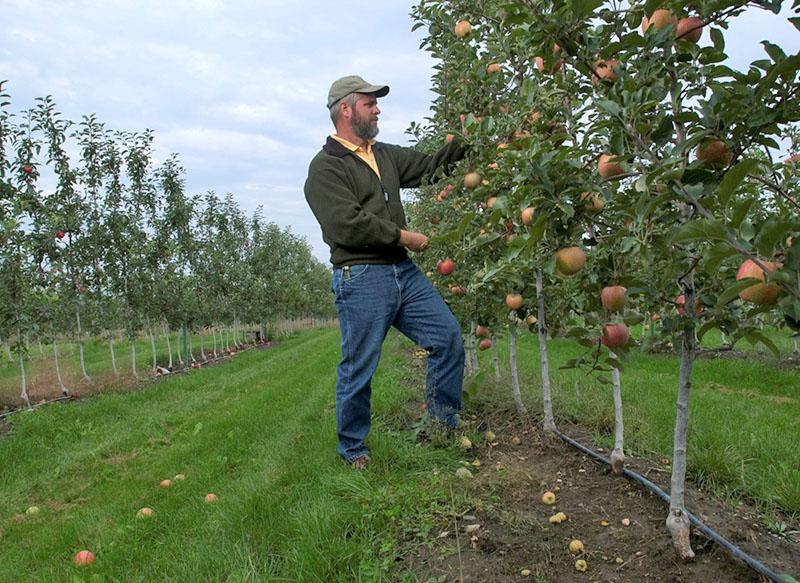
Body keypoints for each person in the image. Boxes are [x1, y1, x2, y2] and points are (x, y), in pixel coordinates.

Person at [304, 75, 466, 469]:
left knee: (447, 338)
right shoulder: (326, 168)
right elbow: (346, 223)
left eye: (376, 103)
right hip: (361, 276)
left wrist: (468, 135)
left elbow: (430, 168)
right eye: (369, 103)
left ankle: (441, 427)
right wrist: (402, 236)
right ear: (346, 109)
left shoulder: (385, 155)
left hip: (402, 272)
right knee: (359, 367)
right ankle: (353, 451)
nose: (377, 109)